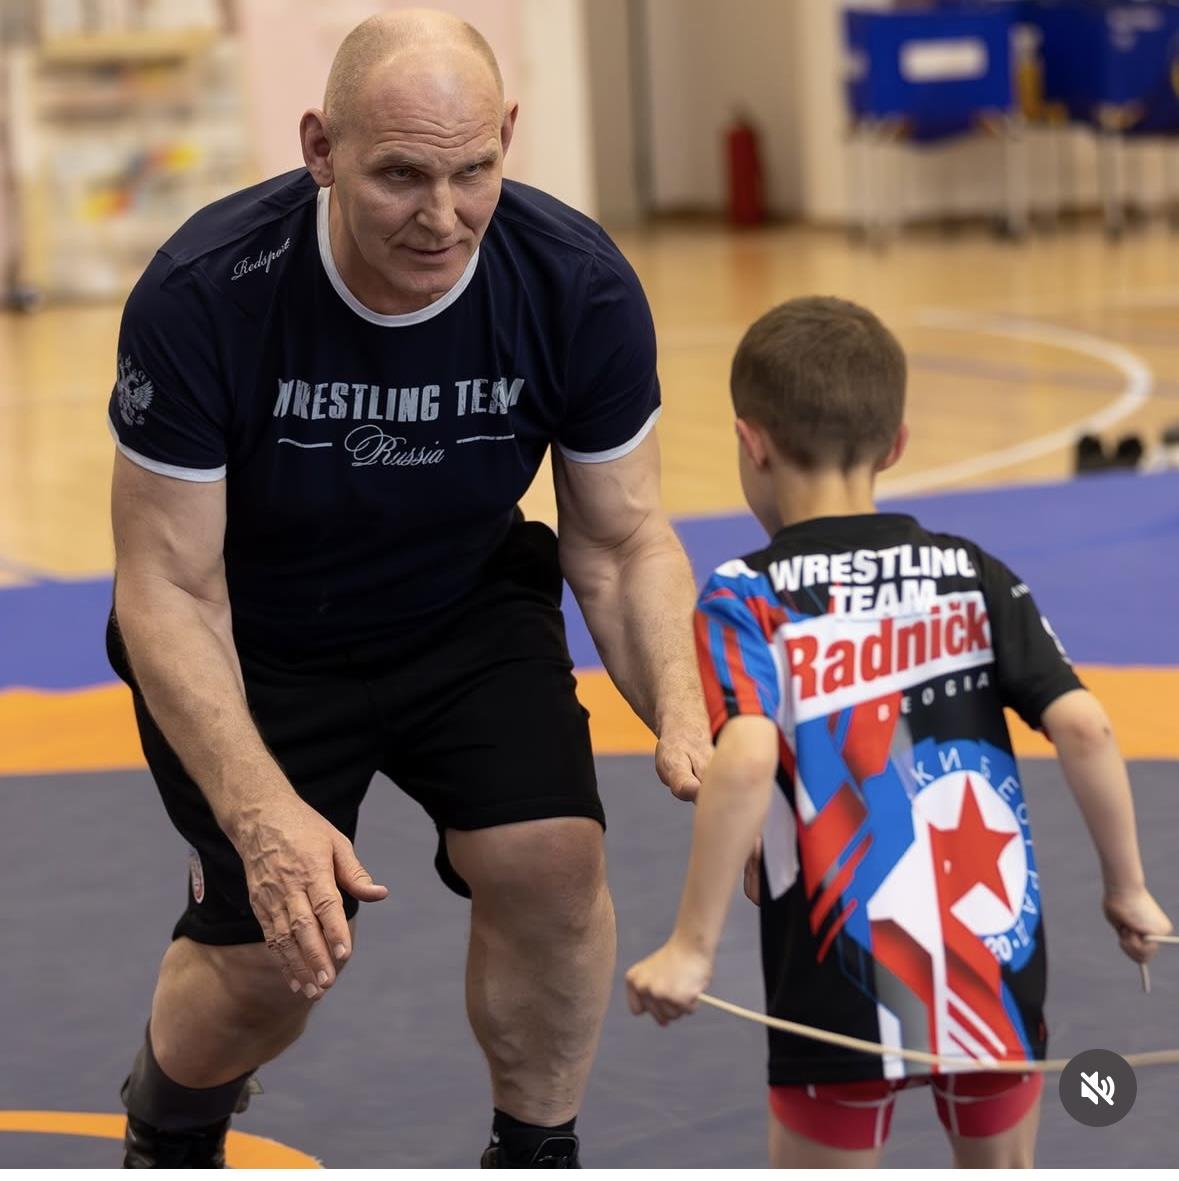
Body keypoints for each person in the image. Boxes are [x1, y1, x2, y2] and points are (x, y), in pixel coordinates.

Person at [106, 8, 710, 1168]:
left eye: (472, 170)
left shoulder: (575, 284)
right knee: (273, 961)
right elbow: (168, 584)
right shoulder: (206, 291)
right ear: (320, 148)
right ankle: (169, 1123)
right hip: (255, 631)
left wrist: (689, 714)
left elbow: (624, 541)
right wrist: (262, 815)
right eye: (400, 176)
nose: (442, 215)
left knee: (554, 862)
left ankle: (534, 1151)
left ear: (507, 137)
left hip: (461, 605)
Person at [624, 296, 1173, 1168]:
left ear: (750, 442)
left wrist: (692, 947)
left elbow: (748, 756)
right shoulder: (970, 571)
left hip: (834, 977)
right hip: (992, 959)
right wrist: (1128, 889)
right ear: (896, 444)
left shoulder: (745, 595)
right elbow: (1085, 726)